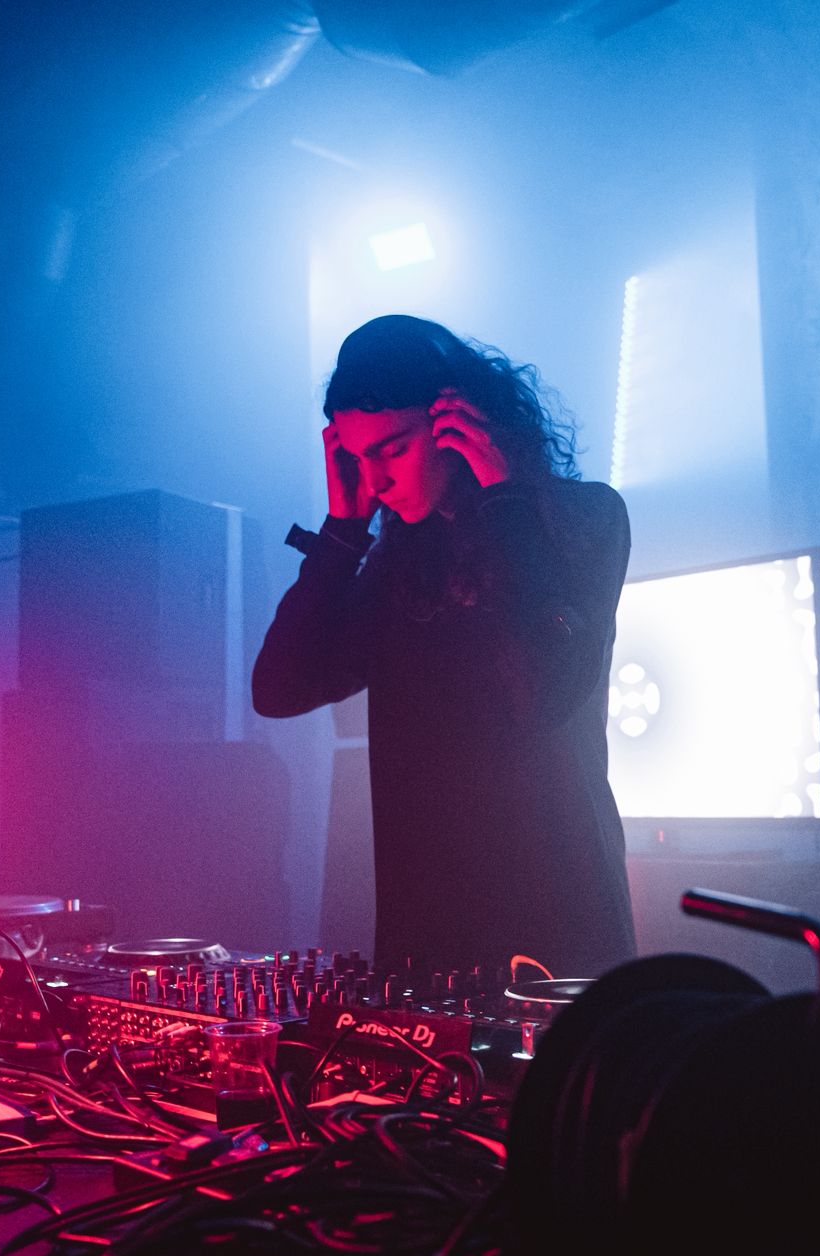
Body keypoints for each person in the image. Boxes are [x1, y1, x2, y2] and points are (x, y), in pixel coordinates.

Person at [253, 315, 636, 979]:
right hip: (428, 946)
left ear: (459, 425)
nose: (375, 480)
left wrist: (505, 502)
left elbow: (540, 692)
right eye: (358, 456)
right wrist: (343, 530)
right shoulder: (398, 569)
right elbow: (280, 689)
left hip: (558, 931)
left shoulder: (583, 519)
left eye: (391, 449)